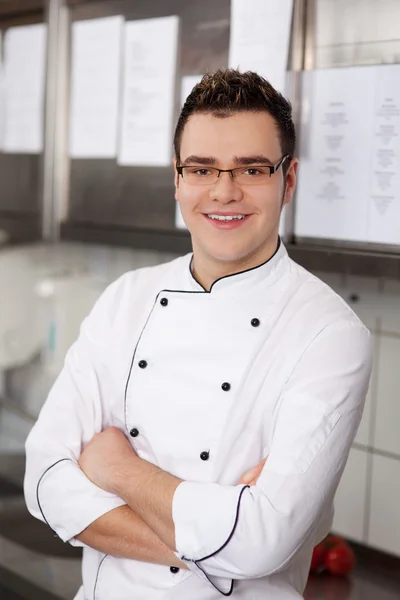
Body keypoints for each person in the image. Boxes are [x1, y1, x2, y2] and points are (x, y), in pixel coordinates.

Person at [24, 69, 372, 599]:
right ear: (177, 179)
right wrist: (220, 545)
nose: (224, 192)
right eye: (202, 168)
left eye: (252, 168)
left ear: (290, 179)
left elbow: (263, 540)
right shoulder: (126, 299)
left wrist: (116, 469)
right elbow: (44, 480)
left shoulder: (328, 333)